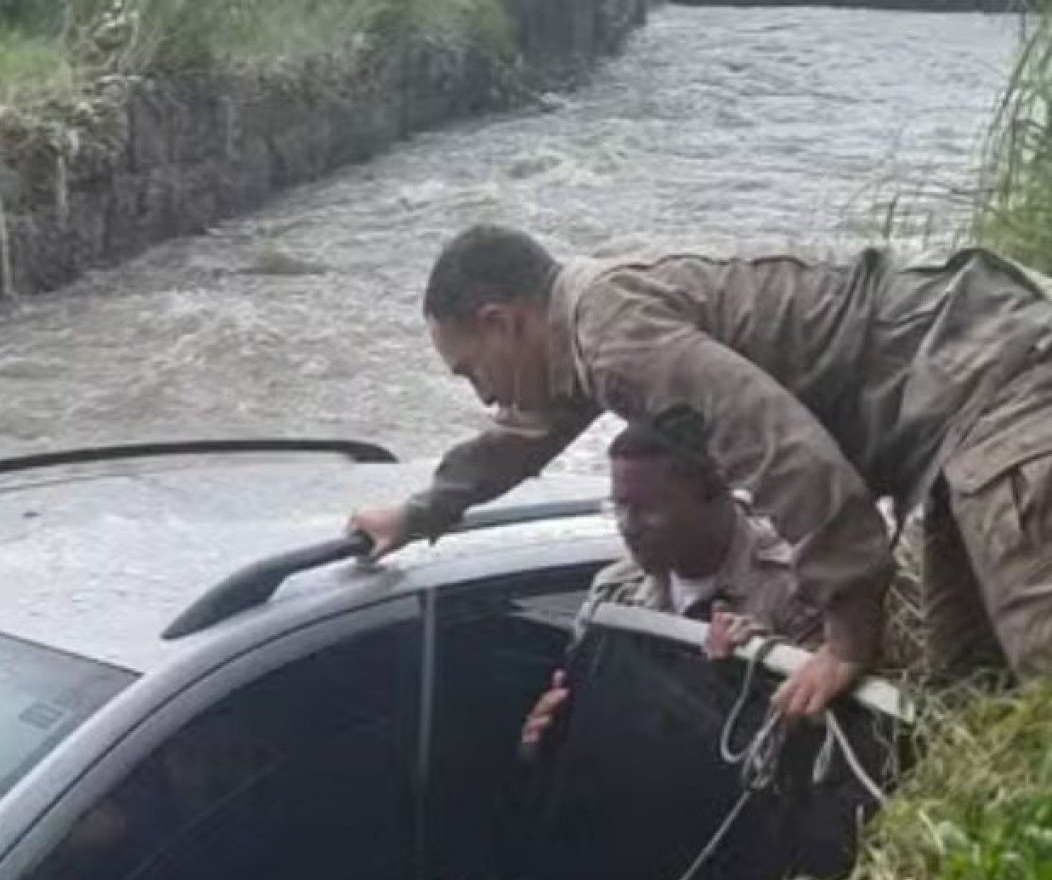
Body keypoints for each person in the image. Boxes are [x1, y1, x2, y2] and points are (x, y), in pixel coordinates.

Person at [350, 226, 1052, 715]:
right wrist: (418, 516)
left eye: (471, 369)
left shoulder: (613, 338)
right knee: (977, 697)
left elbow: (789, 456)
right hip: (958, 406)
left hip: (1001, 378)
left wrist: (847, 641)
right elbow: (523, 435)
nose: (482, 395)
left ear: (503, 322)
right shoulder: (587, 328)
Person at [520, 413, 823, 758]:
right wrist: (543, 741)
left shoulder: (801, 590)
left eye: (646, 509)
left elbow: (819, 753)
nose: (627, 526)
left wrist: (757, 666)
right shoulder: (615, 594)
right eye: (620, 506)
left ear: (713, 494)